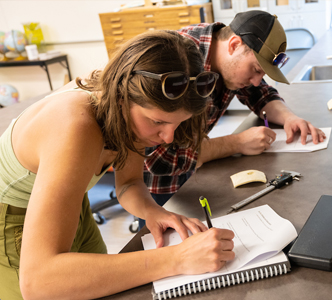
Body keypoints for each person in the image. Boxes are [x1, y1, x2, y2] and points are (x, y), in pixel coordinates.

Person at [0, 30, 235, 300]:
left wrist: (152, 211)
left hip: (72, 204)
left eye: (177, 123)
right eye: (158, 122)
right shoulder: (74, 127)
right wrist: (177, 258)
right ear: (121, 98)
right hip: (11, 221)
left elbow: (129, 183)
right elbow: (39, 282)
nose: (168, 137)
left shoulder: (129, 109)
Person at [143, 10, 327, 206]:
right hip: (160, 191)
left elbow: (260, 94)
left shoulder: (227, 55)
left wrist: (289, 118)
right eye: (256, 70)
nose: (256, 81)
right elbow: (162, 158)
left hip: (194, 173)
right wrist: (236, 143)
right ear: (234, 45)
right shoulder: (180, 64)